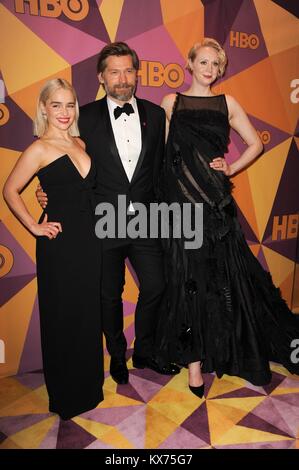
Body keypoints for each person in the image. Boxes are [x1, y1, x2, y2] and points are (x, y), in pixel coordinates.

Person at [156, 38, 299, 398]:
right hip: (180, 210)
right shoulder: (170, 102)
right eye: (202, 61)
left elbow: (256, 143)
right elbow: (159, 156)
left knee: (224, 281)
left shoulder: (228, 103)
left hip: (216, 207)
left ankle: (231, 351)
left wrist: (230, 167)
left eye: (215, 64)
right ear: (189, 64)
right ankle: (193, 367)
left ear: (220, 70)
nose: (208, 68)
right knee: (188, 282)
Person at [36, 42, 180, 385]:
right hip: (101, 220)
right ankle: (117, 353)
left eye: (129, 70)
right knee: (108, 294)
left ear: (137, 74)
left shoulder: (156, 115)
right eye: (114, 71)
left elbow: (161, 168)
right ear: (101, 77)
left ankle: (144, 349)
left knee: (157, 286)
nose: (123, 78)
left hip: (146, 218)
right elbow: (61, 158)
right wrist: (50, 192)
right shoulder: (82, 115)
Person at [3, 79, 104, 420]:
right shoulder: (39, 149)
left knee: (87, 315)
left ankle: (89, 388)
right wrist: (34, 225)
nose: (64, 112)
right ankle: (67, 396)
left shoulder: (80, 141)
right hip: (59, 246)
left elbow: (83, 192)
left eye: (70, 104)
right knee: (63, 317)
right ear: (44, 108)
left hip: (89, 241)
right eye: (57, 105)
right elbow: (10, 190)